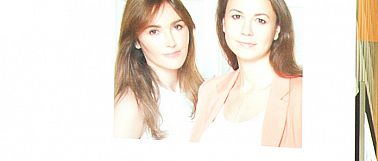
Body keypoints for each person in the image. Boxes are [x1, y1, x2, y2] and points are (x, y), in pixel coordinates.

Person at [190, 0, 302, 147]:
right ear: (223, 23)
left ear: (276, 30)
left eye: (260, 20)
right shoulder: (208, 90)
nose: (246, 31)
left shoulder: (301, 94)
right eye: (236, 16)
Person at [114, 0, 203, 140]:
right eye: (154, 31)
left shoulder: (203, 90)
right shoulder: (130, 105)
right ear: (136, 41)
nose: (171, 42)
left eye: (177, 26)